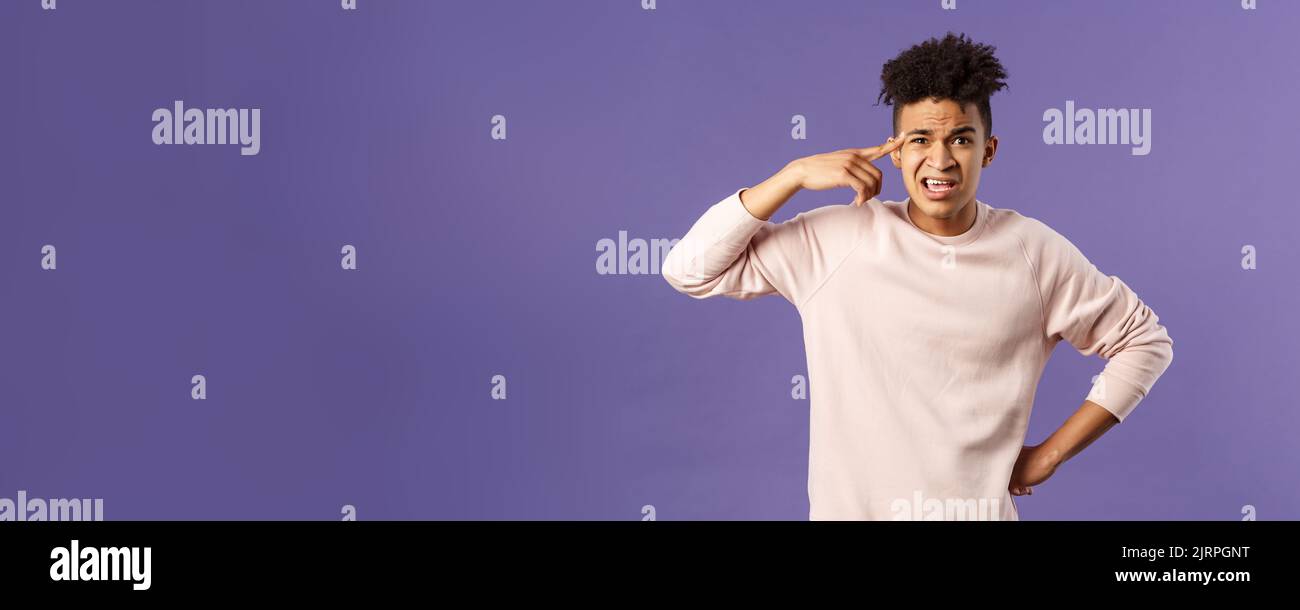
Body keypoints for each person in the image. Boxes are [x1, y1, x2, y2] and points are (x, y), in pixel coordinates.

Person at [661, 32, 1174, 520]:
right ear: (897, 150)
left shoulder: (1033, 252)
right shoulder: (837, 239)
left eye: (961, 139)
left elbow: (1144, 342)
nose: (941, 159)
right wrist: (792, 175)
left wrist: (1050, 455)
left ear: (988, 151)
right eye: (921, 139)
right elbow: (689, 270)